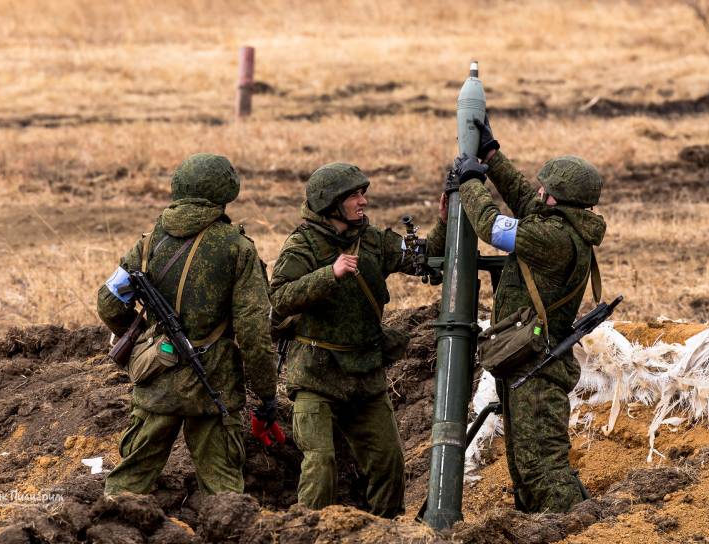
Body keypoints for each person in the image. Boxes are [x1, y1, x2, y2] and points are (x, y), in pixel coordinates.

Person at [269, 162, 447, 518]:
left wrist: (444, 222)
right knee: (320, 465)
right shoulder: (302, 246)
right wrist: (329, 274)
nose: (363, 201)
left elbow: (422, 258)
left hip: (365, 374)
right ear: (330, 203)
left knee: (388, 462)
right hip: (316, 376)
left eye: (363, 194)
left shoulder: (373, 241)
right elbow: (279, 297)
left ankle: (385, 530)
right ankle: (309, 531)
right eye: (354, 195)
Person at [448, 116, 606, 513]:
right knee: (526, 465)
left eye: (545, 189)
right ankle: (544, 524)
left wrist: (470, 181)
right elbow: (525, 199)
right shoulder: (561, 223)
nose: (538, 192)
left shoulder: (553, 238)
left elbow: (491, 226)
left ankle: (578, 529)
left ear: (558, 199)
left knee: (543, 470)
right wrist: (491, 156)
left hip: (537, 367)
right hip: (527, 359)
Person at [97, 153, 277, 497]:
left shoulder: (148, 243)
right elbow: (254, 333)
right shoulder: (237, 248)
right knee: (225, 496)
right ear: (227, 190)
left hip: (156, 379)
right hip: (214, 386)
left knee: (125, 488)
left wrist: (145, 338)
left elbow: (108, 302)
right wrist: (267, 394)